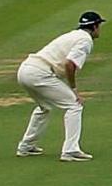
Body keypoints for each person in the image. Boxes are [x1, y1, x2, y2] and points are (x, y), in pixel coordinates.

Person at [16, 11, 104, 160]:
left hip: (25, 71)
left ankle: (26, 146)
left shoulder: (72, 35)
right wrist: (74, 89)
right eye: (99, 26)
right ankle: (70, 150)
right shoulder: (85, 40)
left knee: (44, 107)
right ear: (95, 26)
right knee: (74, 104)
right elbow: (69, 64)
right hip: (39, 73)